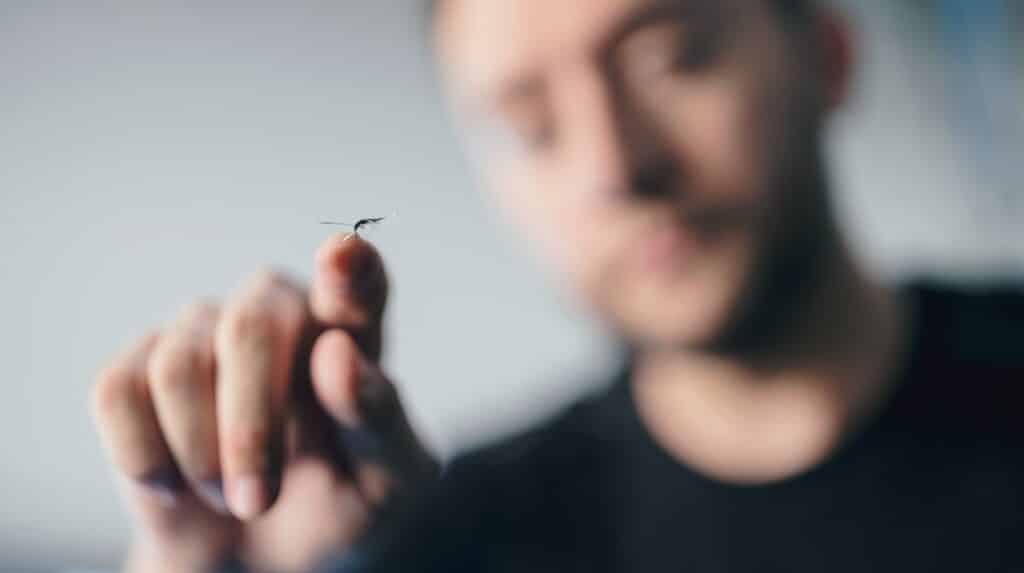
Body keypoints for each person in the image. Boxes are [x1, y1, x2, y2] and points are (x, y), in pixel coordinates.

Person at [91, 0, 1024, 571]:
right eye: (532, 124)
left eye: (674, 59)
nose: (613, 164)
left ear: (826, 57)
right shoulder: (456, 534)